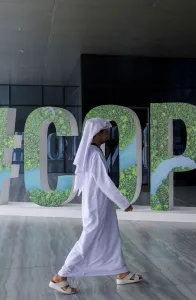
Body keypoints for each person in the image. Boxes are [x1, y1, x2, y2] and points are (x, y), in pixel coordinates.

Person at [49, 118, 142, 295]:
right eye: (105, 131)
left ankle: (122, 272)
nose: (108, 134)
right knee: (87, 241)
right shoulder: (93, 154)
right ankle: (60, 277)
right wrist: (123, 203)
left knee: (111, 236)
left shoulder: (91, 152)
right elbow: (104, 182)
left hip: (100, 204)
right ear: (97, 133)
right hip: (97, 206)